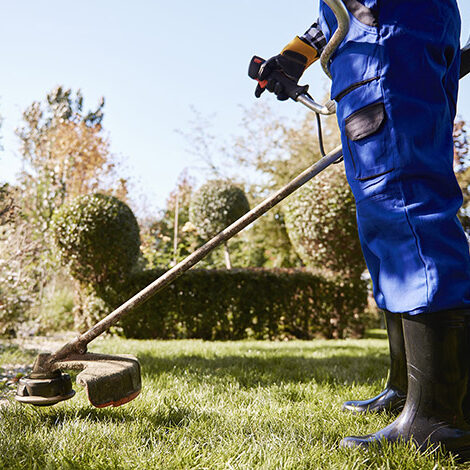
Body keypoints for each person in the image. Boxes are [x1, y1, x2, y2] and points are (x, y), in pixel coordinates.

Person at [253, 0, 470, 459]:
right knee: (382, 220)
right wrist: (296, 54)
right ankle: (406, 387)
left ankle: (438, 415)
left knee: (404, 204)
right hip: (366, 42)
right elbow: (337, 15)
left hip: (388, 33)